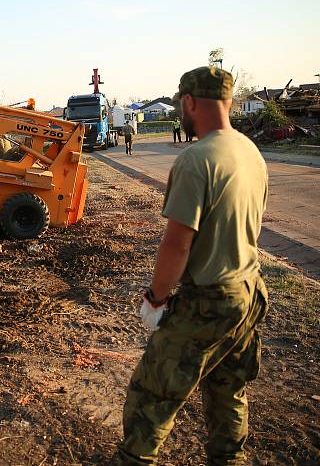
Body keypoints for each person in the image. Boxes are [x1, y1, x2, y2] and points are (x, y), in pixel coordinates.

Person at [116, 66, 269, 465]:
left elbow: (177, 245)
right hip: (248, 292)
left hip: (209, 300)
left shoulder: (197, 159)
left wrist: (156, 298)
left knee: (153, 395)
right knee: (227, 390)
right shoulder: (249, 152)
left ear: (188, 102)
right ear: (229, 101)